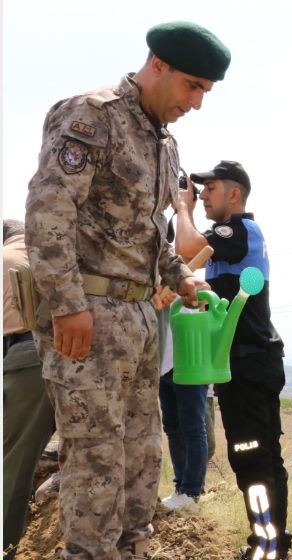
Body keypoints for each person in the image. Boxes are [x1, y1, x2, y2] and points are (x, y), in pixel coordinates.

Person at [23, 21, 225, 560]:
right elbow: (49, 211)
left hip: (137, 320)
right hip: (88, 314)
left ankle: (133, 546)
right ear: (157, 65)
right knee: (95, 454)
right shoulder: (92, 115)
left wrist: (179, 277)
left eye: (206, 90)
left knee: (140, 448)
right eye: (192, 86)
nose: (198, 102)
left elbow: (148, 230)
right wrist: (68, 305)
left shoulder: (165, 143)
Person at [174, 160, 291, 559]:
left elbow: (187, 248)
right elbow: (183, 257)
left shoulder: (240, 231)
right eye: (199, 189)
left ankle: (266, 549)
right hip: (248, 362)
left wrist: (182, 208)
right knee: (263, 459)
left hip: (248, 362)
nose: (202, 195)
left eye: (210, 188)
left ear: (234, 194)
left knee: (251, 459)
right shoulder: (228, 242)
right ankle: (273, 544)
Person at [3, 219, 56, 560]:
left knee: (13, 462)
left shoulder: (6, 257)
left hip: (25, 354)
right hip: (66, 353)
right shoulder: (47, 251)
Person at [152, 285, 209, 513]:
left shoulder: (178, 274)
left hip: (189, 361)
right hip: (163, 366)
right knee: (173, 428)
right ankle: (180, 488)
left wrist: (184, 290)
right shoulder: (150, 279)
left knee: (193, 427)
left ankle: (192, 492)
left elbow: (203, 289)